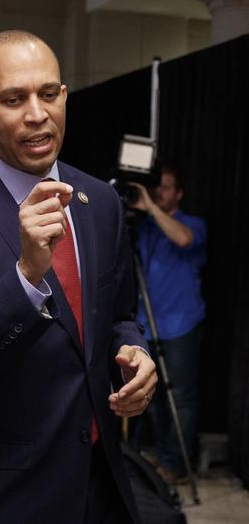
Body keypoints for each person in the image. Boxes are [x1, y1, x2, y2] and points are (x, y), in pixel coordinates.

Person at [0, 30, 158, 523]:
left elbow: (119, 314)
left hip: (98, 489)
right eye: (14, 99)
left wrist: (135, 351)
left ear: (64, 96)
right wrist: (25, 277)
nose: (37, 114)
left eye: (48, 94)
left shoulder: (98, 200)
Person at [129, 168, 206, 484]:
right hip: (148, 322)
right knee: (154, 396)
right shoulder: (145, 227)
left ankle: (177, 465)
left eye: (165, 188)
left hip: (180, 322)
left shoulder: (192, 224)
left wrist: (151, 207)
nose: (159, 192)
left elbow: (183, 239)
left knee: (181, 398)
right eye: (155, 188)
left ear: (179, 194)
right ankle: (162, 456)